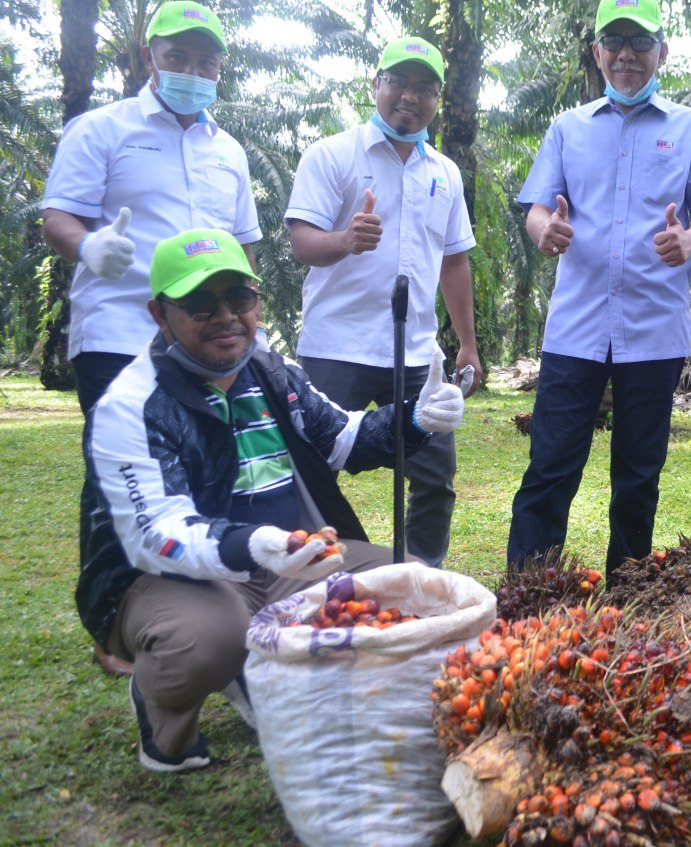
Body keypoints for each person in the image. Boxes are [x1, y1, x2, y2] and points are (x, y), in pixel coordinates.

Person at [80, 229, 463, 772]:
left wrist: (416, 419)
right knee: (206, 640)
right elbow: (155, 533)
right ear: (159, 315)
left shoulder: (272, 371)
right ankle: (162, 709)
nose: (226, 316)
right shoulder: (131, 404)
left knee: (417, 587)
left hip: (290, 558)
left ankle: (264, 672)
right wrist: (253, 544)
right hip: (169, 578)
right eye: (199, 304)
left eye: (239, 298)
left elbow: (342, 437)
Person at [41, 0, 261, 676]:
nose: (192, 70)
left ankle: (195, 598)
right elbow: (59, 215)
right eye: (179, 57)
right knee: (117, 473)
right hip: (118, 327)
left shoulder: (228, 149)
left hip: (204, 336)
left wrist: (252, 318)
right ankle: (114, 623)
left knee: (202, 462)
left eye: (205, 60)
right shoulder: (101, 130)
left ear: (220, 66)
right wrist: (90, 246)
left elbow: (245, 241)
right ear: (150, 58)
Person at [506, 0, 691, 575]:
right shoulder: (568, 128)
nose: (627, 55)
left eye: (640, 43)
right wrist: (546, 229)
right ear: (597, 53)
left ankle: (628, 592)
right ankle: (527, 596)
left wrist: (689, 242)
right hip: (575, 330)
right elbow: (538, 209)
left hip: (654, 333)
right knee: (550, 467)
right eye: (615, 43)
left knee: (638, 475)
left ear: (663, 52)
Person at [286, 37, 479, 568]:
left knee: (435, 477)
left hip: (417, 355)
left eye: (425, 88)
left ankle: (420, 575)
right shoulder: (331, 154)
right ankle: (318, 579)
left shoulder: (445, 172)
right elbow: (301, 240)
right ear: (376, 85)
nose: (410, 97)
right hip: (337, 346)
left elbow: (455, 260)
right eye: (399, 82)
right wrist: (345, 241)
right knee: (312, 473)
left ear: (438, 99)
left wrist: (466, 342)